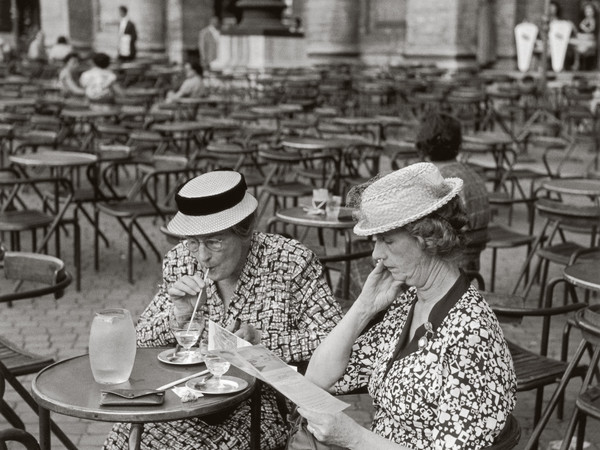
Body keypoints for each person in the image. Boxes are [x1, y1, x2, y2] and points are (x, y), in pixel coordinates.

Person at [103, 170, 343, 450]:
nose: (202, 256)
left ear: (245, 231)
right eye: (193, 242)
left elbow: (337, 340)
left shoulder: (289, 261)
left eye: (214, 241)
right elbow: (140, 339)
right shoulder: (181, 259)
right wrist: (178, 317)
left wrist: (263, 343)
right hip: (189, 398)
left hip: (260, 406)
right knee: (126, 434)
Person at [299, 162, 516, 449]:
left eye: (387, 240)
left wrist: (355, 437)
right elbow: (317, 379)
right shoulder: (409, 304)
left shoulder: (471, 333)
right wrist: (364, 307)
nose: (376, 254)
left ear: (428, 238)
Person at [415, 112, 490, 278]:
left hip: (444, 264)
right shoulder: (471, 173)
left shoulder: (437, 180)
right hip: (472, 261)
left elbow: (426, 233)